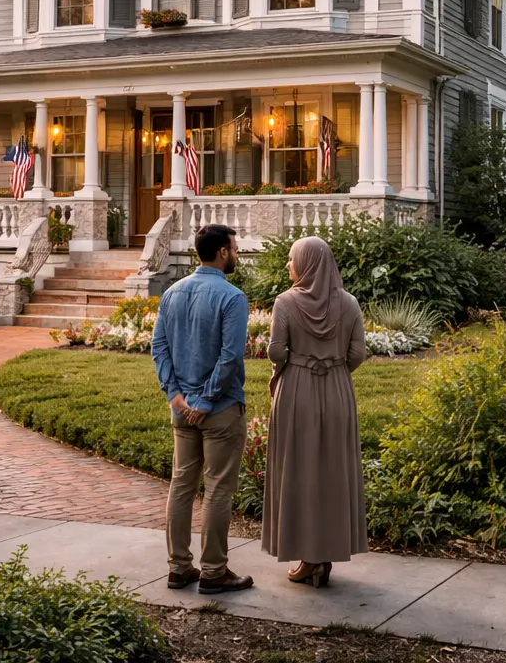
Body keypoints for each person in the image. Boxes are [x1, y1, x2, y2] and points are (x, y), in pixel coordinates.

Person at [151, 223, 254, 594]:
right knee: (218, 490)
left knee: (181, 486)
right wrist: (206, 400)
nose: (237, 254)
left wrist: (175, 395)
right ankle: (213, 571)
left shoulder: (172, 293)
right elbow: (230, 357)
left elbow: (158, 348)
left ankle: (179, 568)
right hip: (220, 409)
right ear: (223, 252)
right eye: (236, 249)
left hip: (181, 410)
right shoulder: (232, 297)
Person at [262, 235, 369, 588]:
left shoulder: (285, 302)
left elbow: (276, 352)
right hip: (338, 391)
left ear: (307, 263)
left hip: (297, 392)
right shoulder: (351, 303)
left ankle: (308, 558)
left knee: (298, 470)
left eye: (292, 259)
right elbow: (357, 355)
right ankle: (324, 556)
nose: (289, 266)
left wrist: (301, 363)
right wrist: (333, 368)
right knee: (333, 473)